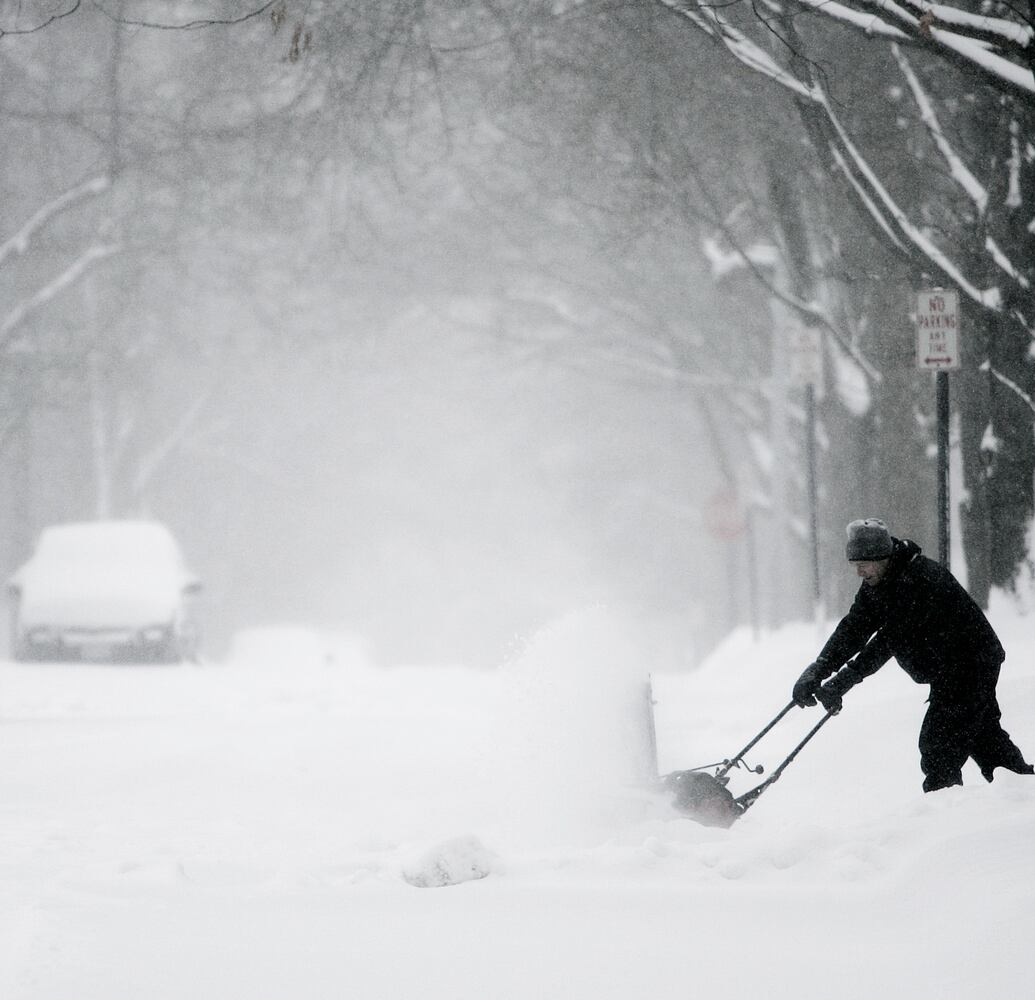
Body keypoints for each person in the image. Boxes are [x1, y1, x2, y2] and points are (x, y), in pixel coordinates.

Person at [792, 517, 1033, 792]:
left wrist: (844, 680)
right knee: (985, 741)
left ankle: (942, 818)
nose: (859, 572)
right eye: (855, 566)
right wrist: (819, 669)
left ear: (882, 557)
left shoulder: (920, 580)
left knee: (938, 746)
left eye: (863, 565)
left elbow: (890, 639)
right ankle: (1023, 792)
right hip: (953, 669)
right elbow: (854, 627)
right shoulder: (880, 582)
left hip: (970, 664)